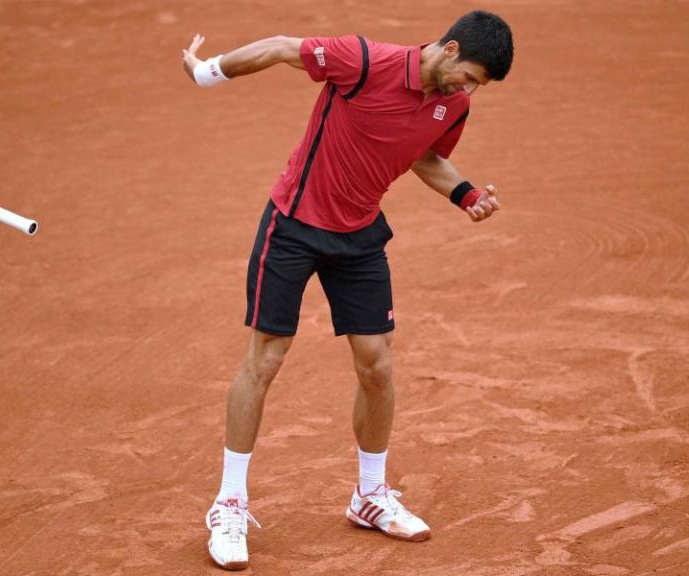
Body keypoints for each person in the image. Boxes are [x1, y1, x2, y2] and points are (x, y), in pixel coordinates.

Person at [182, 10, 514, 571]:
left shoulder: (453, 105)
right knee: (265, 358)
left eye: (478, 86)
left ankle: (369, 496)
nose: (470, 89)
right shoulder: (363, 61)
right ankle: (230, 503)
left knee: (376, 365)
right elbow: (283, 47)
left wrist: (464, 194)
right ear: (451, 49)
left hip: (359, 237)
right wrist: (208, 71)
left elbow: (424, 155)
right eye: (472, 76)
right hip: (292, 225)